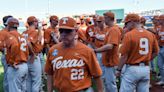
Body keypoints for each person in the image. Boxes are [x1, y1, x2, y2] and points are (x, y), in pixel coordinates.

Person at [45, 17, 103, 92]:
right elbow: (49, 73)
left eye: (68, 31)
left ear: (76, 31)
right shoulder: (53, 50)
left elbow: (97, 75)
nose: (64, 34)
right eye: (61, 31)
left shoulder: (87, 51)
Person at [116, 14, 159, 92]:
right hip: (145, 69)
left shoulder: (129, 35)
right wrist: (147, 59)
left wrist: (118, 70)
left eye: (126, 23)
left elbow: (124, 56)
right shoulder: (150, 34)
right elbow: (156, 52)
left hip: (132, 68)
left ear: (132, 22)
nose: (126, 25)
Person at [94, 12, 121, 92]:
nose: (104, 20)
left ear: (109, 18)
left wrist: (95, 50)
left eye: (105, 18)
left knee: (111, 84)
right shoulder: (110, 29)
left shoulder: (114, 29)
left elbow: (110, 46)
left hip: (111, 61)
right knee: (106, 82)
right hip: (107, 60)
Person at [6, 17, 29, 92]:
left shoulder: (10, 34)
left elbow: (15, 45)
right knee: (23, 89)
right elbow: (27, 50)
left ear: (9, 26)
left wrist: (12, 61)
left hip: (16, 66)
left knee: (14, 89)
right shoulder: (21, 36)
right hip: (24, 65)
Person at [22, 16, 43, 92]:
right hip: (33, 58)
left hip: (25, 57)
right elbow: (28, 42)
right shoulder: (34, 32)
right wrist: (33, 54)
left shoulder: (24, 32)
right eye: (37, 22)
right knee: (36, 81)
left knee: (28, 81)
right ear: (34, 22)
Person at [0, 15, 13, 92]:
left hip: (14, 57)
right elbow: (1, 47)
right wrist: (7, 54)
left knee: (13, 76)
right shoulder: (2, 32)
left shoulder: (12, 31)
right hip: (6, 57)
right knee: (7, 76)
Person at [156, 15, 164, 87]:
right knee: (159, 65)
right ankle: (162, 80)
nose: (158, 21)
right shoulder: (158, 28)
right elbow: (157, 38)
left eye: (160, 20)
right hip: (160, 47)